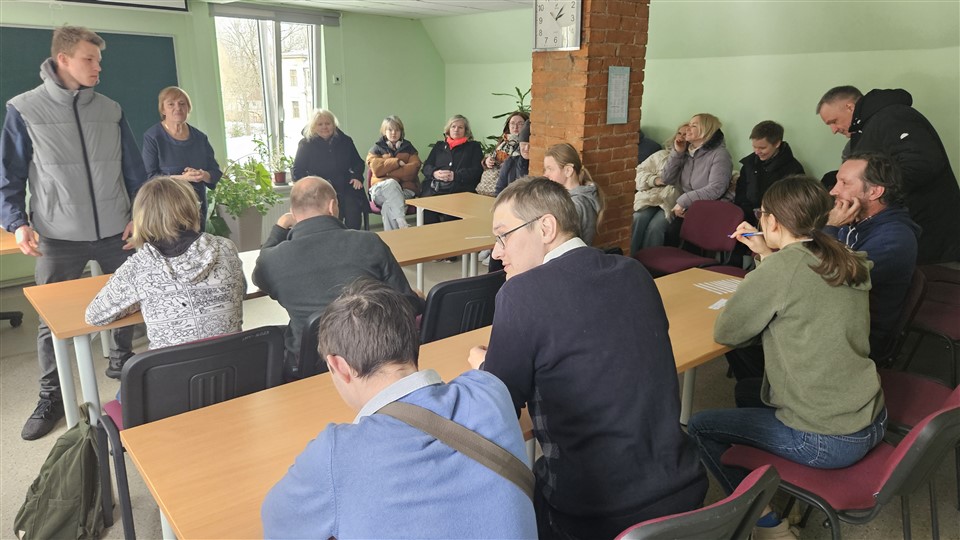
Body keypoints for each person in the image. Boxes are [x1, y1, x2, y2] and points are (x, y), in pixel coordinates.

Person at [468, 177, 707, 539]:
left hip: (594, 515)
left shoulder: (521, 294)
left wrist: (483, 367)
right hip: (683, 489)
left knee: (497, 507)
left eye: (503, 236)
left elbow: (498, 406)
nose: (496, 252)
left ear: (546, 228)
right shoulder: (635, 272)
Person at [687, 176, 886, 540]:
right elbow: (799, 284)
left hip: (828, 438)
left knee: (700, 426)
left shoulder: (782, 270)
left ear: (773, 221)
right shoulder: (842, 256)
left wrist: (767, 260)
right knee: (748, 392)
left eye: (762, 214)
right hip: (870, 415)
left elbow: (728, 331)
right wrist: (768, 253)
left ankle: (767, 525)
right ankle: (769, 478)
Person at [262, 278, 537, 539]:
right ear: (413, 341)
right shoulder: (490, 390)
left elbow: (277, 523)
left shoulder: (335, 453)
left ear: (339, 366)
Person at [0, 26, 147, 440]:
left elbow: (134, 170)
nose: (98, 67)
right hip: (57, 235)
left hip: (116, 230)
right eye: (89, 59)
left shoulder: (111, 109)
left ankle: (123, 366)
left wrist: (138, 214)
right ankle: (50, 395)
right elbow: (9, 176)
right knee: (51, 321)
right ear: (63, 59)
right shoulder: (24, 109)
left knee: (128, 305)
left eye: (99, 60)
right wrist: (17, 222)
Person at [252, 176, 423, 379]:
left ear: (293, 213)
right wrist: (417, 298)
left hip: (309, 363)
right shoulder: (369, 242)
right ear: (332, 206)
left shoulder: (273, 259)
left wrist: (279, 228)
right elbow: (405, 304)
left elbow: (259, 277)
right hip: (374, 356)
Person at [85, 176, 244, 349]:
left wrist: (141, 298)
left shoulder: (139, 267)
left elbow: (94, 315)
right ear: (193, 208)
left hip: (172, 366)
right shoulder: (225, 248)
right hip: (234, 363)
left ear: (141, 218)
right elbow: (240, 290)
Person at [816, 85, 960, 263]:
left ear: (850, 107)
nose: (834, 130)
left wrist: (874, 189)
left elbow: (923, 163)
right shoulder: (867, 129)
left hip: (932, 231)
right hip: (908, 229)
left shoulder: (893, 117)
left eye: (834, 121)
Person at [826, 152, 919, 359]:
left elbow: (836, 278)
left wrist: (830, 228)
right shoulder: (855, 221)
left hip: (861, 338)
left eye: (844, 183)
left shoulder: (894, 238)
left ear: (875, 191)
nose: (833, 191)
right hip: (839, 317)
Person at [141, 86, 222, 231]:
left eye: (182, 104)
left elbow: (215, 172)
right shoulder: (153, 137)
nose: (177, 108)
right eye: (171, 104)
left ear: (188, 108)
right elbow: (150, 178)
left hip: (197, 210)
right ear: (163, 110)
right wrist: (183, 179)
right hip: (166, 211)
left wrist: (203, 175)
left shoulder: (200, 138)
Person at [660, 113, 733, 245]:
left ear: (706, 130)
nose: (687, 129)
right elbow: (666, 178)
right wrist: (678, 153)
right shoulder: (687, 151)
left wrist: (684, 201)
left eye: (693, 126)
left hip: (707, 209)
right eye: (689, 124)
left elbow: (716, 189)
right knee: (667, 233)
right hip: (686, 207)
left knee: (674, 235)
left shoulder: (720, 155)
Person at [291, 109, 366, 230]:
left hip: (345, 185)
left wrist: (357, 176)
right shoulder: (305, 144)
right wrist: (310, 186)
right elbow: (297, 171)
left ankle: (352, 237)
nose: (324, 127)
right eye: (320, 124)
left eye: (328, 123)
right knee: (329, 216)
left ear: (334, 125)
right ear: (313, 127)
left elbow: (358, 163)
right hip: (319, 189)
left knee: (353, 211)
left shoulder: (346, 141)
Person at [630, 124, 686, 255]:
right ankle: (629, 257)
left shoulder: (693, 161)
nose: (682, 137)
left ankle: (648, 261)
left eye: (686, 134)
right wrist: (654, 180)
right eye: (679, 133)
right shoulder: (661, 155)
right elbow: (637, 173)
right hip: (650, 197)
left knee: (656, 227)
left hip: (672, 201)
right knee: (638, 219)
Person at [735, 120, 804, 226]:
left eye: (762, 148)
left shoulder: (793, 169)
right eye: (754, 147)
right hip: (747, 220)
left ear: (777, 144)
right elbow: (740, 194)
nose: (757, 152)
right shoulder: (749, 164)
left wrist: (765, 216)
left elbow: (794, 204)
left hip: (778, 223)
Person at [420, 114, 484, 224]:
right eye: (453, 126)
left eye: (460, 127)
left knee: (451, 216)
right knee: (427, 213)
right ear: (448, 129)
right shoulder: (439, 146)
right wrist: (435, 173)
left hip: (460, 191)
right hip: (435, 190)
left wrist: (456, 175)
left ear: (466, 131)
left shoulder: (473, 147)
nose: (456, 130)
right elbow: (426, 167)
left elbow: (477, 171)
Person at [366, 115, 421, 230]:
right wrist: (397, 162)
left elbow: (413, 170)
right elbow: (376, 169)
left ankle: (392, 239)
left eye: (397, 130)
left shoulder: (409, 148)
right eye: (390, 130)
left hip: (405, 190)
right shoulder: (376, 148)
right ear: (384, 131)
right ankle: (401, 221)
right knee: (391, 183)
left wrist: (387, 171)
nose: (393, 133)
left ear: (401, 131)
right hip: (380, 191)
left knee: (388, 207)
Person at [542, 142, 603, 246]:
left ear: (568, 171)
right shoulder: (570, 199)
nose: (545, 175)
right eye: (545, 169)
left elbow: (561, 244)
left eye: (550, 169)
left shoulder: (575, 204)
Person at [479, 112, 529, 195]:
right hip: (488, 186)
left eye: (520, 124)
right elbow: (492, 156)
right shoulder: (503, 141)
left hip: (507, 188)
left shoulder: (525, 144)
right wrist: (487, 161)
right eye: (512, 123)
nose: (515, 127)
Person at [494, 119, 530, 195]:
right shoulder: (510, 162)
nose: (526, 148)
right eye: (523, 144)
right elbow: (499, 190)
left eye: (530, 145)